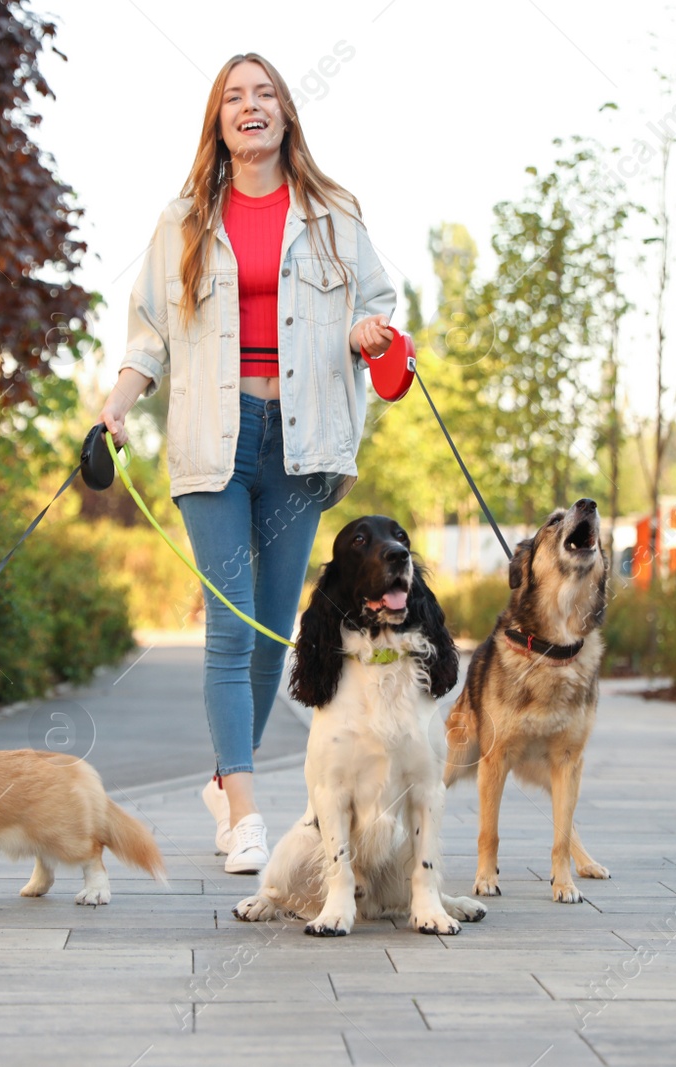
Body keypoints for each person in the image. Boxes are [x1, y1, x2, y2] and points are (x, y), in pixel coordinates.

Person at [97, 52, 395, 874]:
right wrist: (118, 402)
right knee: (230, 627)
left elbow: (378, 303)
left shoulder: (332, 212)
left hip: (300, 445)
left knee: (276, 635)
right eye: (234, 97)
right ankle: (245, 807)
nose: (250, 107)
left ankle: (228, 780)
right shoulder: (185, 216)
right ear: (218, 121)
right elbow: (148, 333)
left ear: (288, 115)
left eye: (265, 94)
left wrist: (370, 335)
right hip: (213, 440)